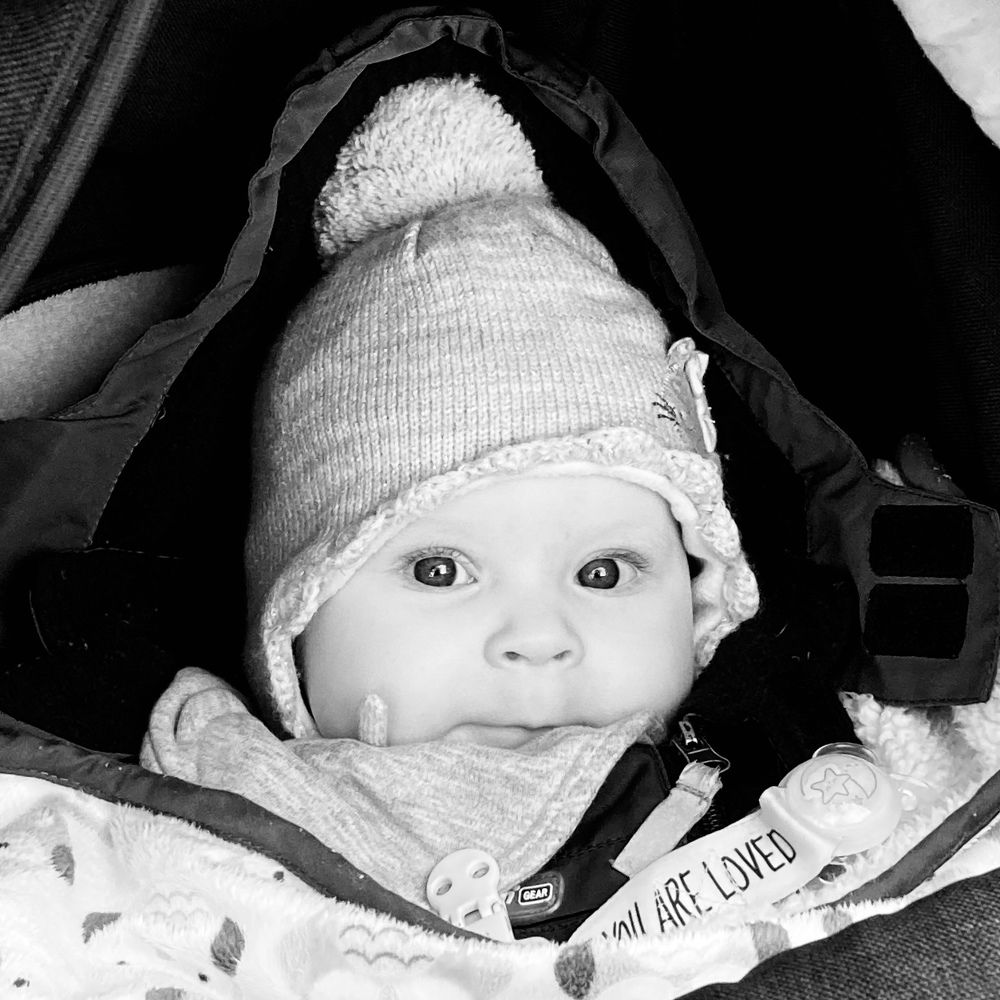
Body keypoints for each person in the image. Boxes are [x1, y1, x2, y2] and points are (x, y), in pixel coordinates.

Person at [141, 74, 759, 922]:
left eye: (606, 573)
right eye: (439, 569)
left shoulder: (799, 777)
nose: (538, 639)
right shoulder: (174, 822)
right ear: (296, 619)